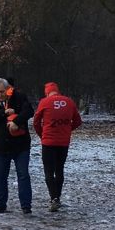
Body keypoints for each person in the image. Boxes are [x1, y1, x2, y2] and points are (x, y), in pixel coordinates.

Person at [0, 78, 35, 214]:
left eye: (1, 92)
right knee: (0, 176)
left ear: (8, 89)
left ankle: (26, 205)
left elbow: (29, 111)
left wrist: (16, 121)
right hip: (1, 145)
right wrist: (3, 113)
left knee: (23, 175)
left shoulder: (19, 97)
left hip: (21, 145)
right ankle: (0, 203)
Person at [33, 81, 82, 212]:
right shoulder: (69, 102)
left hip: (48, 142)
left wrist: (42, 134)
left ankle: (53, 198)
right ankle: (58, 197)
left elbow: (36, 121)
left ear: (47, 92)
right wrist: (67, 130)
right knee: (59, 169)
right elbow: (78, 121)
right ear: (57, 91)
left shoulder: (44, 102)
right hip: (63, 142)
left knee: (49, 171)